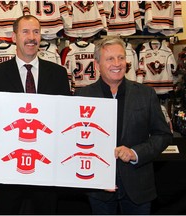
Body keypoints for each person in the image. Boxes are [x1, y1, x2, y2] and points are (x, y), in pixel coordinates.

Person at [74, 36, 173, 214]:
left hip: (138, 188)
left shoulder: (146, 94)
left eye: (121, 57)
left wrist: (135, 153)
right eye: (110, 59)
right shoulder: (81, 97)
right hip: (98, 189)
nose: (117, 63)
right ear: (97, 65)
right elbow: (73, 141)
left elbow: (163, 135)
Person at [0, 15, 71, 214]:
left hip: (46, 167)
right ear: (14, 37)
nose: (31, 37)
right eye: (25, 32)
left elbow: (64, 120)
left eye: (36, 32)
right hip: (8, 168)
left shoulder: (58, 74)